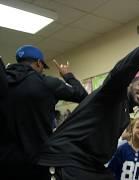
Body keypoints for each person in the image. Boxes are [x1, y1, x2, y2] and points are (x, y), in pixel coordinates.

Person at [37, 33, 139, 180]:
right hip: (66, 159)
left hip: (91, 165)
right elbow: (122, 70)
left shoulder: (124, 112)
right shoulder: (113, 95)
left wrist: (69, 77)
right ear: (128, 86)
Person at [0, 45, 88, 179]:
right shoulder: (46, 83)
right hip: (38, 161)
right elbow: (82, 95)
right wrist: (67, 75)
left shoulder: (3, 82)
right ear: (38, 63)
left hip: (6, 162)